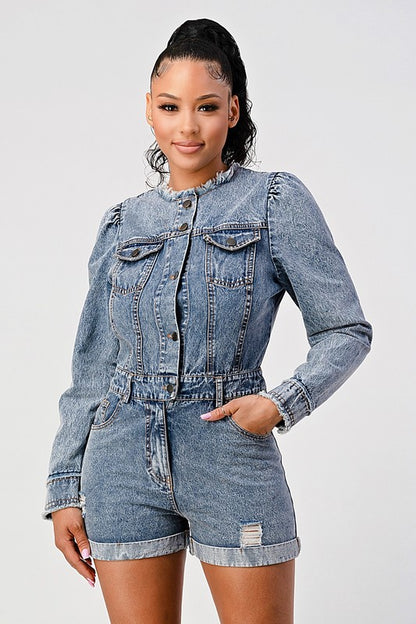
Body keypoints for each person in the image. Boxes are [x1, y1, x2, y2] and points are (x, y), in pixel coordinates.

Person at [42, 17, 373, 624]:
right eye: (170, 107)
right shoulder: (121, 224)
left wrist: (280, 404)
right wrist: (65, 487)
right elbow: (92, 369)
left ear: (234, 110)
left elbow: (345, 330)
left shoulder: (275, 201)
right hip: (119, 461)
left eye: (207, 107)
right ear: (149, 109)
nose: (187, 127)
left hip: (229, 451)